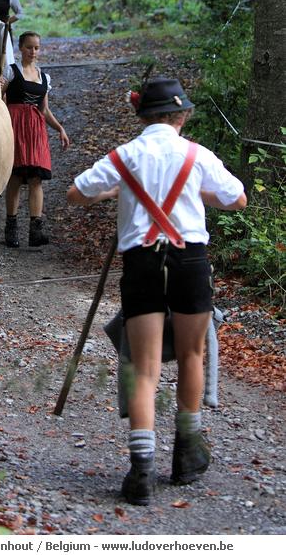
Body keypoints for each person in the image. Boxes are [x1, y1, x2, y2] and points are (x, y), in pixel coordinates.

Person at [66, 77, 246, 506]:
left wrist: (115, 190)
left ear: (142, 115)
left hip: (143, 263)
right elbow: (236, 199)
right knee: (191, 355)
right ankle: (186, 453)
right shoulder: (197, 155)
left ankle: (141, 469)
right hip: (189, 262)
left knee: (144, 368)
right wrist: (197, 191)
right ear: (181, 115)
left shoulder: (124, 156)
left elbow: (75, 194)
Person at [3, 32, 69, 248]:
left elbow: (44, 109)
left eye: (36, 48)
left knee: (36, 179)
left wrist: (59, 128)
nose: (33, 52)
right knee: (15, 177)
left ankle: (35, 231)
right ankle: (11, 229)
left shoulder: (43, 77)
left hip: (35, 130)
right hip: (14, 126)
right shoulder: (11, 72)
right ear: (20, 48)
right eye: (29, 47)